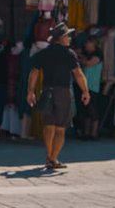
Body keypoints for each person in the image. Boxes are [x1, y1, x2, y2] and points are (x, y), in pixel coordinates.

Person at [27, 23, 89, 173]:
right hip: (63, 93)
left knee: (49, 125)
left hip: (47, 91)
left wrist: (30, 91)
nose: (69, 39)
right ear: (61, 38)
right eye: (67, 36)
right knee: (60, 128)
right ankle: (53, 159)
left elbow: (34, 73)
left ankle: (49, 157)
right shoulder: (69, 54)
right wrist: (85, 91)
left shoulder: (44, 53)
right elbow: (78, 74)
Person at [77, 38, 104, 140]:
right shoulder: (86, 54)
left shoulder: (98, 55)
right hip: (85, 86)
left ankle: (94, 133)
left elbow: (88, 63)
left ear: (93, 44)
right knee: (86, 110)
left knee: (93, 110)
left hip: (93, 86)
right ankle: (86, 133)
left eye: (87, 42)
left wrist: (77, 59)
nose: (85, 44)